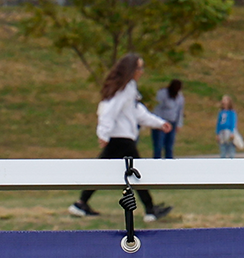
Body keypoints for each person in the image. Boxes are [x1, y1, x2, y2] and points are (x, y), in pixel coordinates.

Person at [69, 53, 174, 221]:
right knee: (137, 173)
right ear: (131, 69)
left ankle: (81, 203)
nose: (142, 71)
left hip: (120, 138)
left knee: (104, 171)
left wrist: (159, 123)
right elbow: (109, 111)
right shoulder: (124, 89)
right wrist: (103, 133)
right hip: (121, 139)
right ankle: (150, 210)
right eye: (139, 68)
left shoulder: (129, 88)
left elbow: (137, 112)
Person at [150, 78, 185, 158]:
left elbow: (180, 111)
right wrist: (158, 123)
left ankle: (169, 161)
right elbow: (157, 109)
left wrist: (179, 124)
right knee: (159, 146)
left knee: (169, 146)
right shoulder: (162, 94)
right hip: (161, 123)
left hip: (172, 122)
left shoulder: (180, 97)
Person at [216, 94, 243, 158]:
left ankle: (231, 160)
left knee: (230, 149)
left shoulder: (232, 112)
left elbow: (233, 123)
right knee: (223, 149)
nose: (223, 101)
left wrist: (232, 132)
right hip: (222, 132)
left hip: (229, 131)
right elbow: (219, 123)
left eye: (225, 100)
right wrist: (217, 133)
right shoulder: (221, 112)